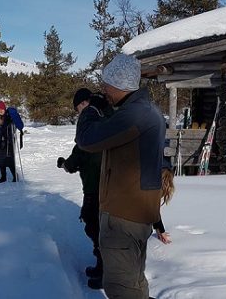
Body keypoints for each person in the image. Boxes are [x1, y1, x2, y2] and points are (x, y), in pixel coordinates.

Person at [75, 53, 166, 298]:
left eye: (106, 84)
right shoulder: (143, 111)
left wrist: (90, 110)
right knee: (133, 282)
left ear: (120, 84)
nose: (103, 89)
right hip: (135, 212)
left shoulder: (135, 114)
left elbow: (87, 139)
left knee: (121, 288)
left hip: (123, 215)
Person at [57, 88, 104, 288]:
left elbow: (75, 159)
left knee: (94, 226)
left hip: (95, 187)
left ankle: (105, 271)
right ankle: (102, 266)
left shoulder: (90, 126)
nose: (79, 113)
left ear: (84, 103)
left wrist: (64, 164)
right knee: (102, 227)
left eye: (78, 108)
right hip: (111, 187)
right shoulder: (107, 117)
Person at [0, 101, 17, 183]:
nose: (1, 111)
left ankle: (14, 176)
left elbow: (13, 128)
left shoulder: (9, 118)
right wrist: (1, 132)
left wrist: (11, 126)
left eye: (2, 109)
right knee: (1, 161)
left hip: (8, 142)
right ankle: (3, 177)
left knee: (10, 160)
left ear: (5, 110)